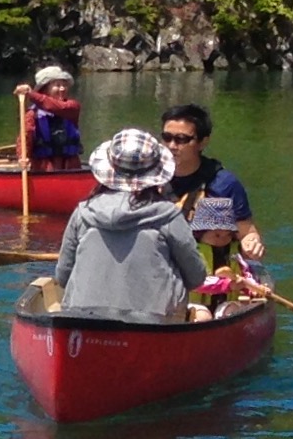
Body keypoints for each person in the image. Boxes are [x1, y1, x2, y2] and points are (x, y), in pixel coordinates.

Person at [47, 129, 208, 323]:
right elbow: (196, 277)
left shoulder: (83, 213)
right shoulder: (169, 216)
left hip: (81, 317)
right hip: (154, 322)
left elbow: (63, 276)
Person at [158, 102, 267, 278]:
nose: (172, 145)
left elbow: (247, 232)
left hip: (210, 281)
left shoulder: (223, 184)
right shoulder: (149, 179)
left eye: (182, 139)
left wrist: (252, 243)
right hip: (159, 275)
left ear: (203, 142)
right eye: (167, 137)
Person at [14, 64, 83, 166]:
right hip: (44, 166)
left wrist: (31, 93)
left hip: (70, 165)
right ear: (44, 89)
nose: (62, 89)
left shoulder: (72, 107)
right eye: (58, 85)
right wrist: (22, 157)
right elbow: (25, 137)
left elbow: (56, 107)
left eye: (64, 85)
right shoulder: (32, 114)